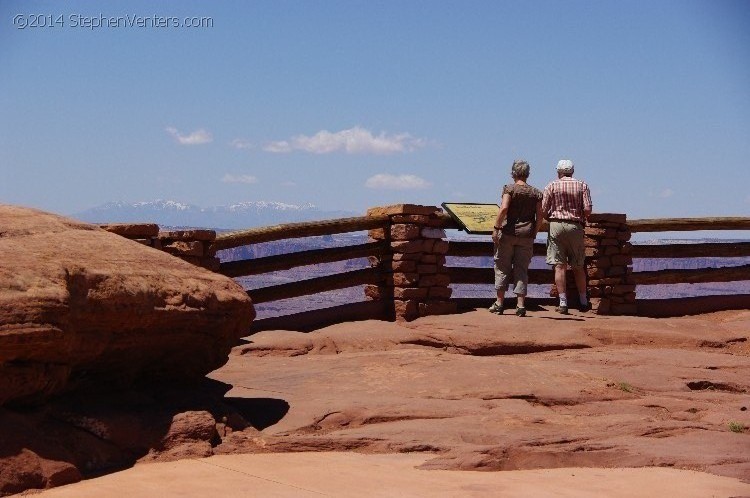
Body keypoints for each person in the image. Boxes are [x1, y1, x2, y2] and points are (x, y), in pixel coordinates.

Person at [489, 159, 544, 317]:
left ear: (513, 173)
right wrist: (535, 231)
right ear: (527, 174)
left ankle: (499, 303)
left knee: (502, 267)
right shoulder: (536, 193)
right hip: (527, 235)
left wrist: (496, 228)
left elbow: (504, 208)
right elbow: (540, 215)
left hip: (508, 233)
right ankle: (520, 306)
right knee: (521, 269)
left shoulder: (509, 189)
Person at [541, 159, 593, 314]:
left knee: (559, 265)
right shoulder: (582, 185)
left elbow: (543, 209)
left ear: (558, 172)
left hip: (555, 225)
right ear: (573, 171)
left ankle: (563, 303)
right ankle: (583, 301)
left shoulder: (551, 185)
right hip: (575, 226)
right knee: (578, 265)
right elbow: (588, 209)